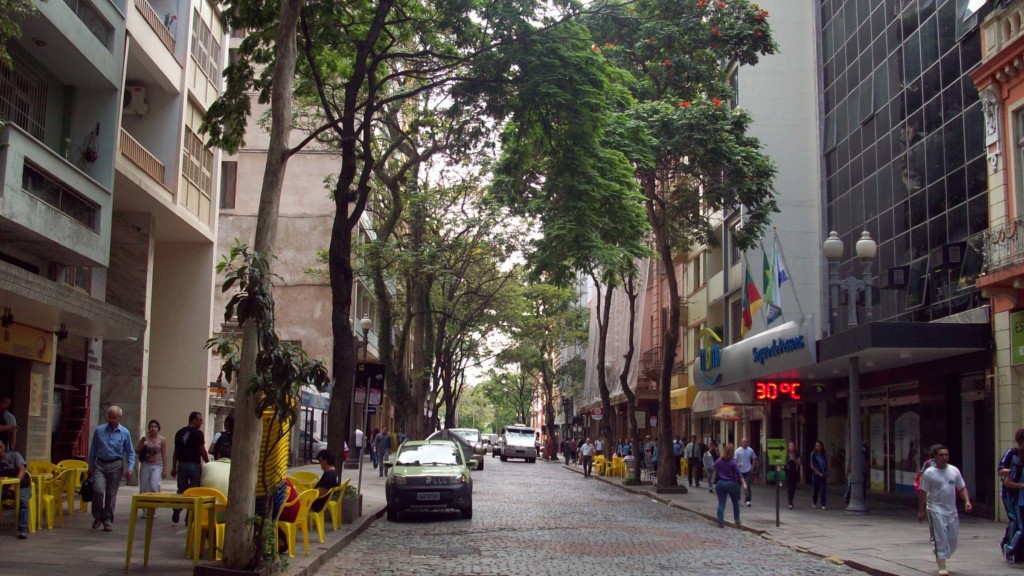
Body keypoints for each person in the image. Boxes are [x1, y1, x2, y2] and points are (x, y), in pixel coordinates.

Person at [918, 444, 972, 576]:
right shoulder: (929, 473)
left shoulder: (954, 470)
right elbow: (923, 492)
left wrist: (967, 501)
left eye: (946, 455)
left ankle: (939, 550)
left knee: (952, 541)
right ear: (935, 457)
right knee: (940, 537)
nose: (944, 457)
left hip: (951, 510)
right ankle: (941, 565)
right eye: (941, 455)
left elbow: (962, 487)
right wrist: (921, 510)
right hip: (934, 509)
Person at [88, 405, 135, 531]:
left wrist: (130, 468)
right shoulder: (99, 431)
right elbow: (93, 449)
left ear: (119, 418)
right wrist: (90, 465)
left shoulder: (124, 432)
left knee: (111, 493)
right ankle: (97, 516)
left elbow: (130, 452)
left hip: (116, 464)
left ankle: (107, 519)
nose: (111, 420)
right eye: (110, 417)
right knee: (98, 490)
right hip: (100, 463)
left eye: (114, 418)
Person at [170, 411, 209, 523]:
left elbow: (176, 452)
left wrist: (174, 467)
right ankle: (189, 515)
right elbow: (202, 450)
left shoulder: (179, 432)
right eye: (200, 420)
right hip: (194, 465)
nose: (201, 422)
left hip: (182, 464)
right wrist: (208, 462)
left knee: (181, 489)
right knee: (194, 490)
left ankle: (177, 507)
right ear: (193, 420)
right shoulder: (198, 433)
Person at [1000, 429, 1024, 562]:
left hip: (1018, 492)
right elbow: (1001, 471)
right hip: (1010, 493)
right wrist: (1014, 471)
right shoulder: (1013, 454)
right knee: (1015, 520)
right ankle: (1008, 546)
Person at [710, 443, 747, 528]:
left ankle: (720, 522)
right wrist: (744, 483)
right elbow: (739, 474)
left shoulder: (719, 460)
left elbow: (713, 467)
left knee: (721, 504)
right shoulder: (733, 462)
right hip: (732, 484)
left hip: (720, 484)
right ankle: (737, 520)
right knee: (735, 502)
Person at [0, 439, 30, 538]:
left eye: (0, 447)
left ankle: (23, 528)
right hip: (4, 487)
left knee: (22, 501)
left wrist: (14, 485)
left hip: (21, 485)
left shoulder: (14, 456)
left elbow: (22, 470)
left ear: (4, 447)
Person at [136, 419, 168, 495]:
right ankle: (144, 505)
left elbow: (164, 454)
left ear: (158, 429)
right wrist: (142, 445)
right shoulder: (144, 439)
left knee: (154, 484)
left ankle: (154, 504)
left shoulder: (161, 440)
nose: (153, 428)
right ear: (149, 428)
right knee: (144, 486)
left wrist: (165, 469)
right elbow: (137, 450)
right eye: (151, 426)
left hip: (157, 465)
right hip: (145, 464)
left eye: (155, 426)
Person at [735, 437, 757, 506]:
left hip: (747, 470)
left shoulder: (750, 450)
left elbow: (754, 458)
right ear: (741, 443)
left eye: (746, 442)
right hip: (740, 471)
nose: (745, 443)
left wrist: (752, 466)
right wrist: (737, 465)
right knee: (738, 486)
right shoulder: (738, 451)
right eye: (744, 442)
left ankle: (747, 500)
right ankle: (738, 499)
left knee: (747, 485)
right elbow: (735, 461)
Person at [810, 440, 828, 509]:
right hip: (816, 474)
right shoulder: (813, 454)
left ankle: (823, 504)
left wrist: (826, 471)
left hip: (824, 473)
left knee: (823, 489)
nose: (818, 447)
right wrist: (817, 472)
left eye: (819, 445)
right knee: (816, 489)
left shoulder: (824, 454)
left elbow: (826, 463)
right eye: (816, 445)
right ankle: (814, 502)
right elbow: (811, 465)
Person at [785, 441, 801, 509]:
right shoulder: (786, 454)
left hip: (795, 472)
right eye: (791, 446)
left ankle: (791, 500)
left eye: (793, 446)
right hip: (788, 473)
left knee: (793, 488)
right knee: (789, 488)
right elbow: (783, 462)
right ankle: (790, 502)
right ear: (788, 447)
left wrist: (794, 459)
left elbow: (799, 463)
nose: (792, 447)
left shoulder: (797, 454)